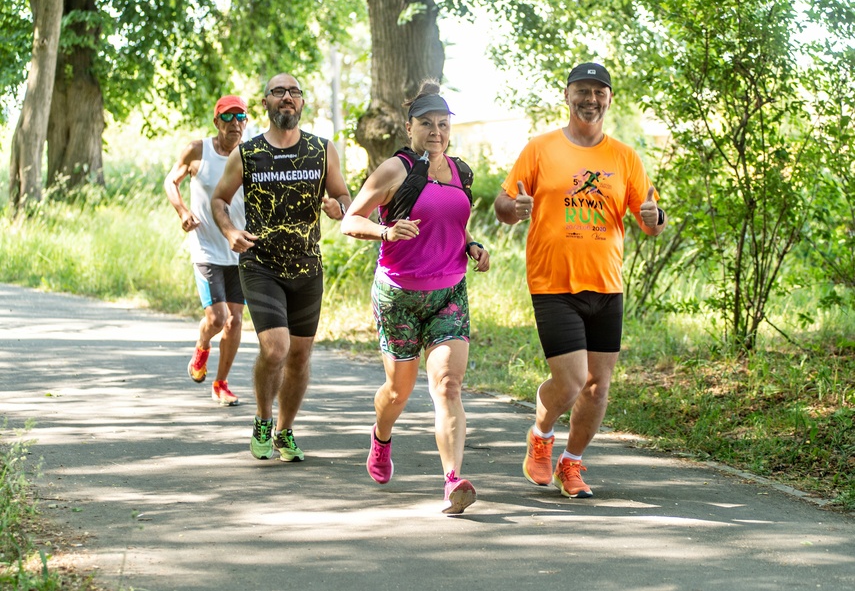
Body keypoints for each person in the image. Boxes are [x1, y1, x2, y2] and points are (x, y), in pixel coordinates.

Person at [494, 62, 668, 499]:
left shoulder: (625, 157)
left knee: (597, 385)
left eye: (599, 92)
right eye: (582, 91)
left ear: (609, 99)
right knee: (571, 381)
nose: (591, 99)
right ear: (567, 95)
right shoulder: (540, 149)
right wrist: (513, 208)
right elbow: (502, 202)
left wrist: (655, 218)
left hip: (606, 284)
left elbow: (649, 219)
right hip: (553, 282)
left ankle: (570, 463)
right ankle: (541, 433)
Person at [340, 79, 490, 515]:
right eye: (427, 124)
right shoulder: (395, 170)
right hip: (399, 296)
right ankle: (382, 437)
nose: (436, 132)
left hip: (448, 292)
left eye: (443, 124)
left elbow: (454, 227)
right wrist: (386, 230)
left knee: (447, 383)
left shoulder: (460, 172)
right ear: (410, 128)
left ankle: (451, 481)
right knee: (398, 391)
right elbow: (350, 221)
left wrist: (472, 246)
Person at [211, 73, 351, 462]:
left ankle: (285, 431)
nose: (287, 98)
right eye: (278, 92)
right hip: (261, 265)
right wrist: (229, 231)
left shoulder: (323, 150)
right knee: (276, 349)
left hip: (307, 267)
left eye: (294, 92)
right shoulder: (248, 153)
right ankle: (262, 418)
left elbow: (342, 194)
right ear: (266, 103)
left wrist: (338, 206)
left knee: (301, 357)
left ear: (302, 103)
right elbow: (219, 200)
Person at [164, 94, 249, 406]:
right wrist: (183, 212)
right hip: (206, 248)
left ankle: (221, 383)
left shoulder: (250, 153)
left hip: (239, 249)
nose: (235, 123)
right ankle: (202, 347)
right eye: (227, 117)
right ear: (217, 122)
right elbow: (171, 182)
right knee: (216, 318)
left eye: (240, 117)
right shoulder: (198, 149)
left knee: (236, 321)